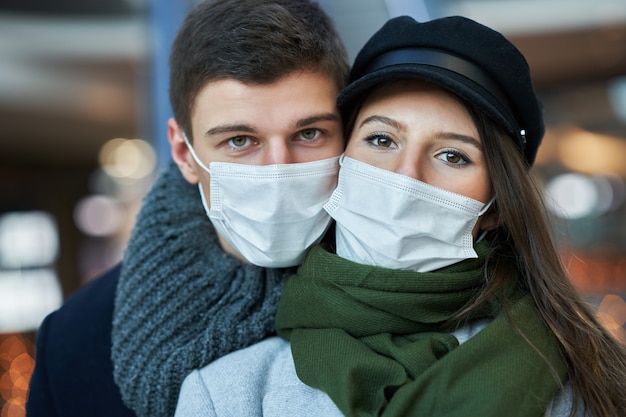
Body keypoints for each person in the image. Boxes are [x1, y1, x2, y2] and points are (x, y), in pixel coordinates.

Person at [174, 15, 626, 417]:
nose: (406, 177)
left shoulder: (583, 379)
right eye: (382, 140)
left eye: (452, 155)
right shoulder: (227, 392)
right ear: (342, 159)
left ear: (495, 208)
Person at [25, 1, 349, 416]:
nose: (278, 170)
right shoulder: (76, 340)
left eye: (309, 133)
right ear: (183, 152)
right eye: (238, 140)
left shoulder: (415, 291)